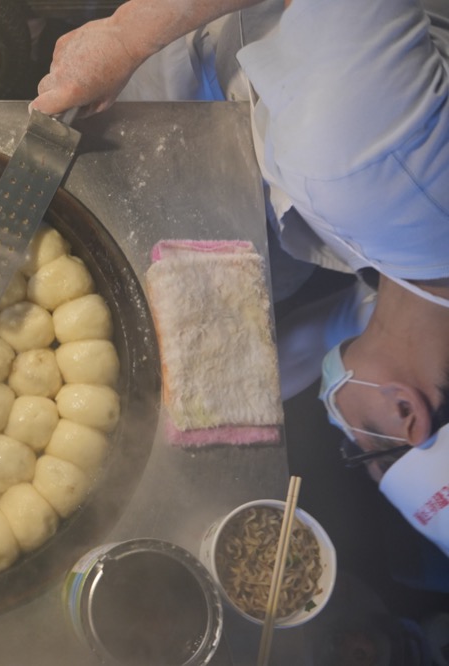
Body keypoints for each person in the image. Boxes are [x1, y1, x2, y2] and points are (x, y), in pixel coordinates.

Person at [31, 0, 449, 575]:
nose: (340, 434)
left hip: (255, 107)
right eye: (360, 451)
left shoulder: (420, 307)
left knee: (273, 281)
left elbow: (314, 338)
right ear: (408, 414)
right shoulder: (369, 167)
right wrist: (127, 36)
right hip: (212, 33)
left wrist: (164, 420)